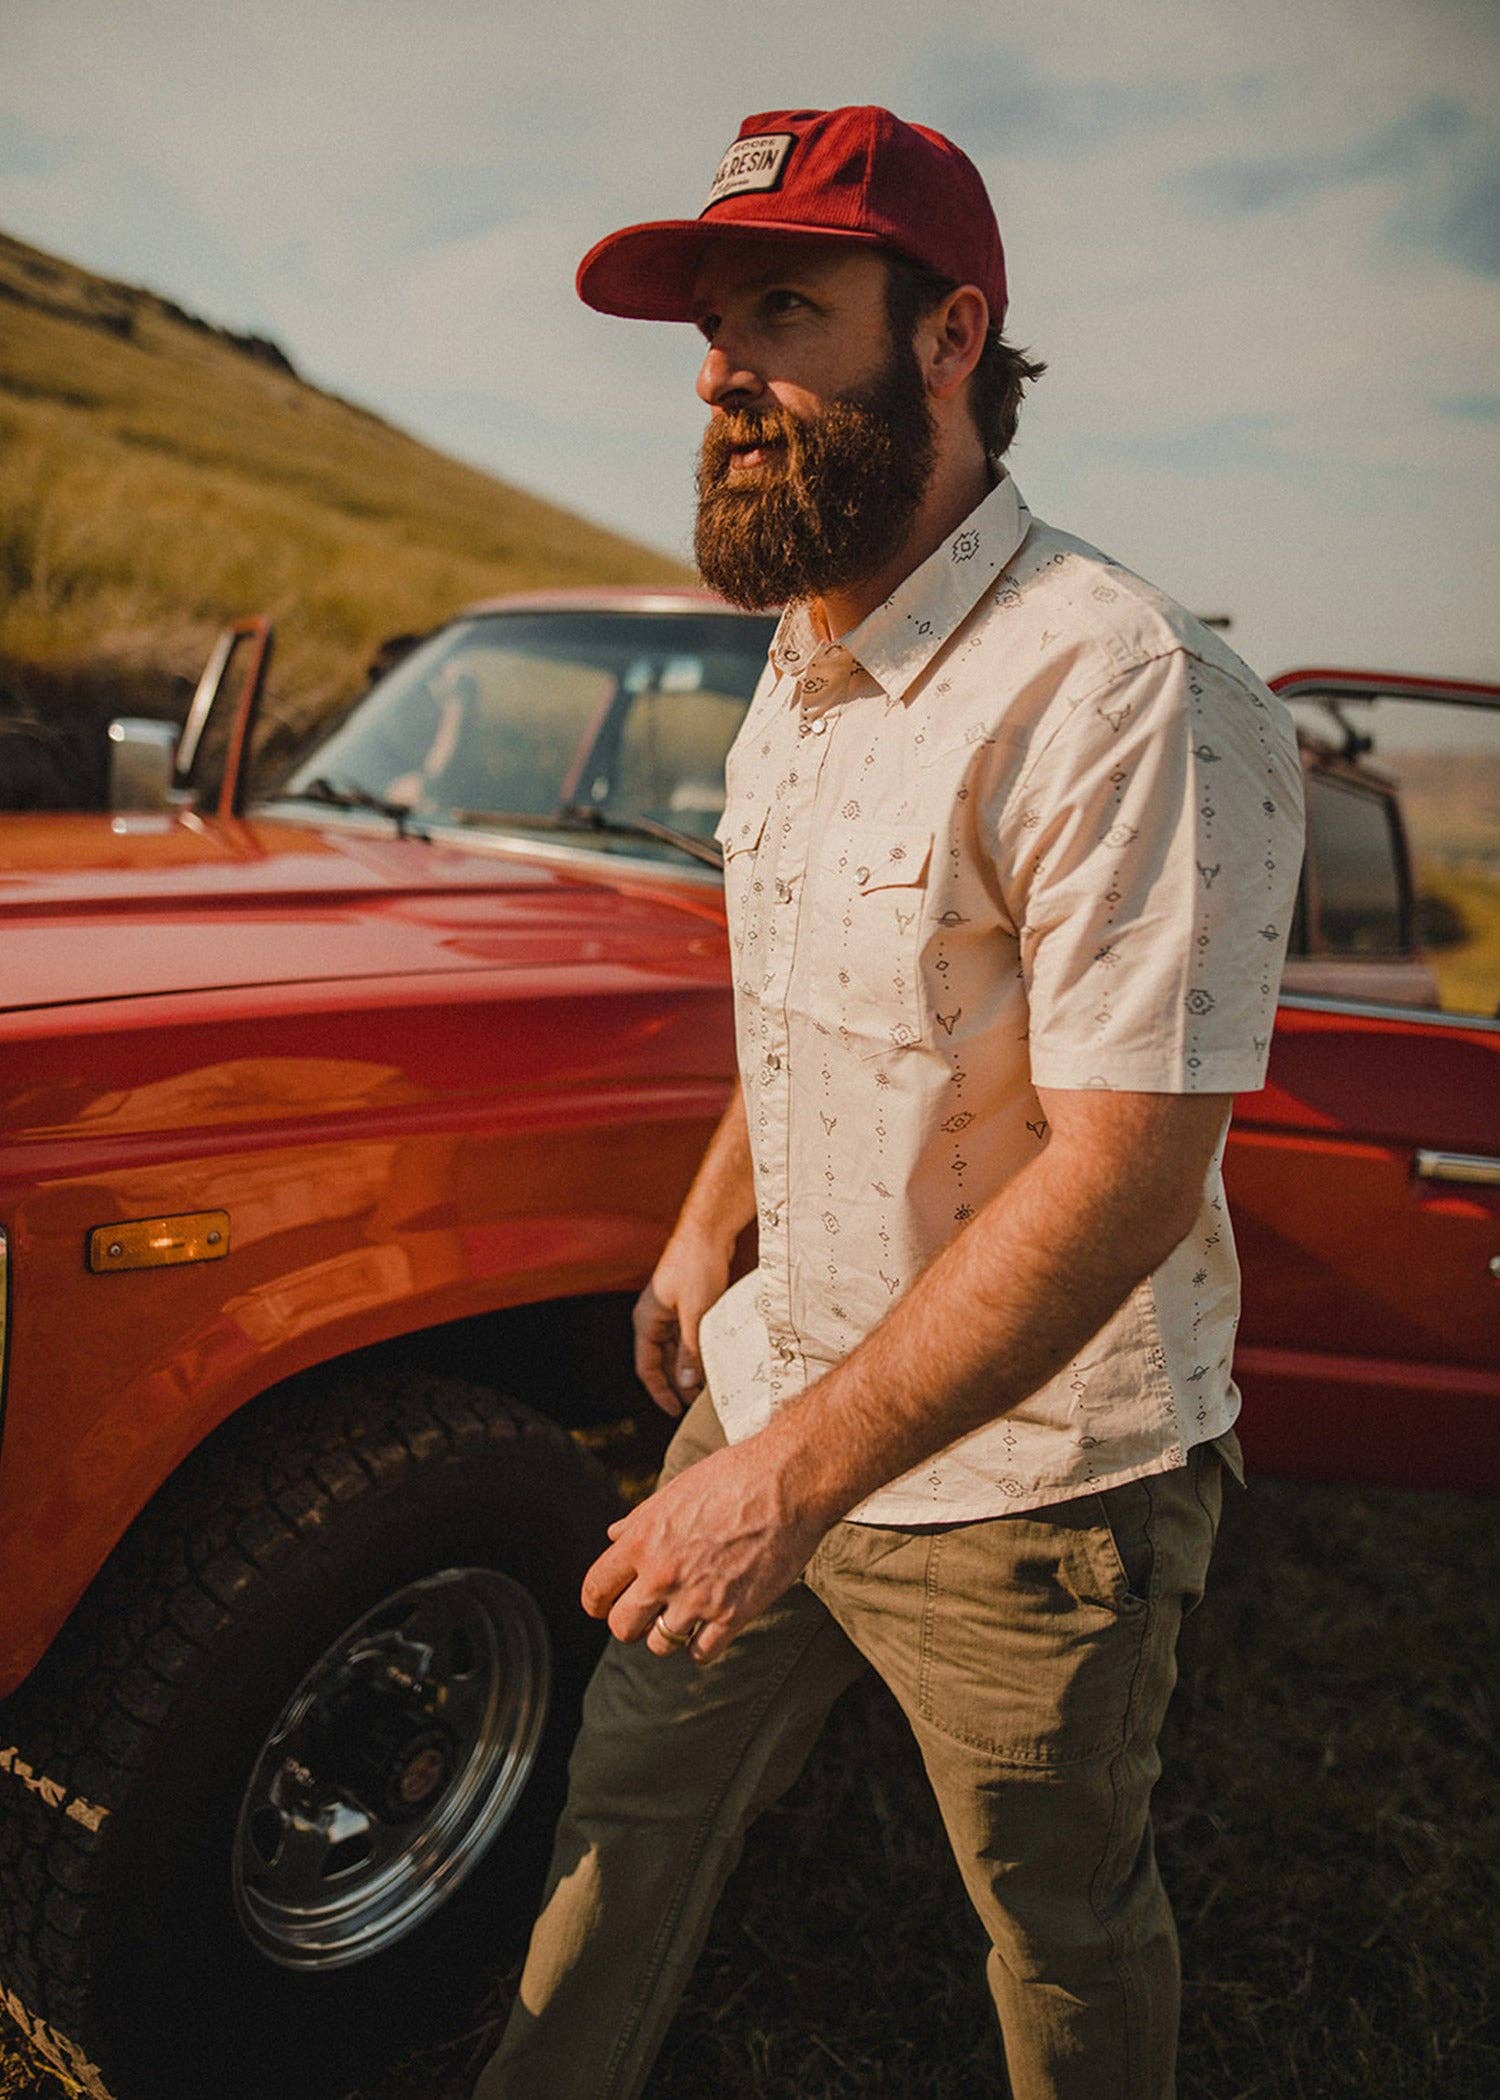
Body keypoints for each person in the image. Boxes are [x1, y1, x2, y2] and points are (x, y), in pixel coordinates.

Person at [474, 104, 1304, 2100]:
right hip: (774, 1387)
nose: (714, 371)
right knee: (626, 1803)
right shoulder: (800, 650)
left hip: (1033, 1496)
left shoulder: (1127, 690)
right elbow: (815, 996)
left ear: (950, 338)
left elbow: (1123, 1176)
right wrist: (705, 1227)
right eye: (706, 325)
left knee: (1062, 1914)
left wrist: (794, 1478)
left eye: (780, 307)